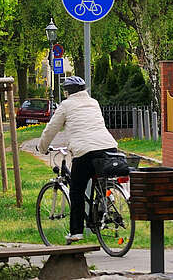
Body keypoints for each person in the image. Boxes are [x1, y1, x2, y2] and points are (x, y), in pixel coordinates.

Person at [37, 75, 118, 244]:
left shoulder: (66, 105)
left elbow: (51, 129)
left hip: (85, 152)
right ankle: (105, 207)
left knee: (76, 190)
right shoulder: (94, 102)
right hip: (109, 148)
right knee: (101, 182)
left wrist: (42, 148)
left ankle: (76, 232)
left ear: (67, 92)